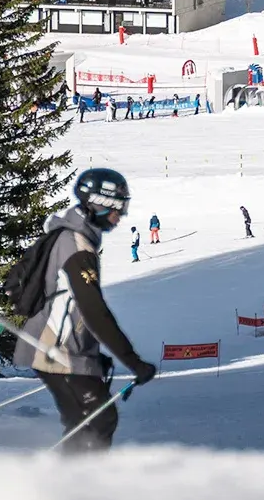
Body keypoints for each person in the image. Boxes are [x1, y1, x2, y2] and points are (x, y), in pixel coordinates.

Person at [13, 168, 158, 451]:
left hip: (61, 348)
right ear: (98, 204)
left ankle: (73, 474)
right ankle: (79, 475)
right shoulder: (77, 247)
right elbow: (94, 311)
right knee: (96, 422)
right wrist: (134, 362)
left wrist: (91, 354)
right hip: (56, 350)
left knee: (85, 422)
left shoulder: (72, 237)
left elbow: (73, 306)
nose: (120, 215)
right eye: (117, 208)